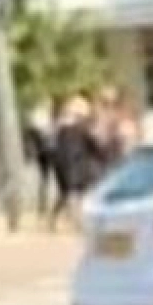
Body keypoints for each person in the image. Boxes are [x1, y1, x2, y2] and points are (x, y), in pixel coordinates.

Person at [49, 95, 103, 232]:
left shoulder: (60, 131)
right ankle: (77, 222)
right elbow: (94, 146)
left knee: (66, 193)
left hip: (64, 167)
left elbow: (55, 150)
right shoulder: (80, 129)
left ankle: (57, 220)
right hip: (77, 166)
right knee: (78, 194)